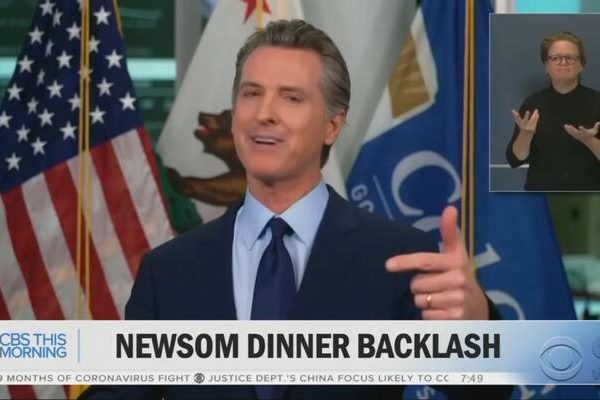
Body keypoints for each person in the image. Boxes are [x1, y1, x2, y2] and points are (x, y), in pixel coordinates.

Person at [82, 19, 511, 399]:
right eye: (252, 93)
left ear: (332, 125)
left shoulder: (398, 258)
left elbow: (485, 391)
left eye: (291, 98)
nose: (264, 113)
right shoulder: (167, 271)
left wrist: (476, 326)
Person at [506, 31, 600, 191]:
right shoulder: (532, 103)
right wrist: (525, 135)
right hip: (541, 196)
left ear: (581, 66)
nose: (563, 62)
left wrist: (590, 141)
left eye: (570, 57)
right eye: (555, 58)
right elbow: (515, 160)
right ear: (546, 66)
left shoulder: (597, 101)